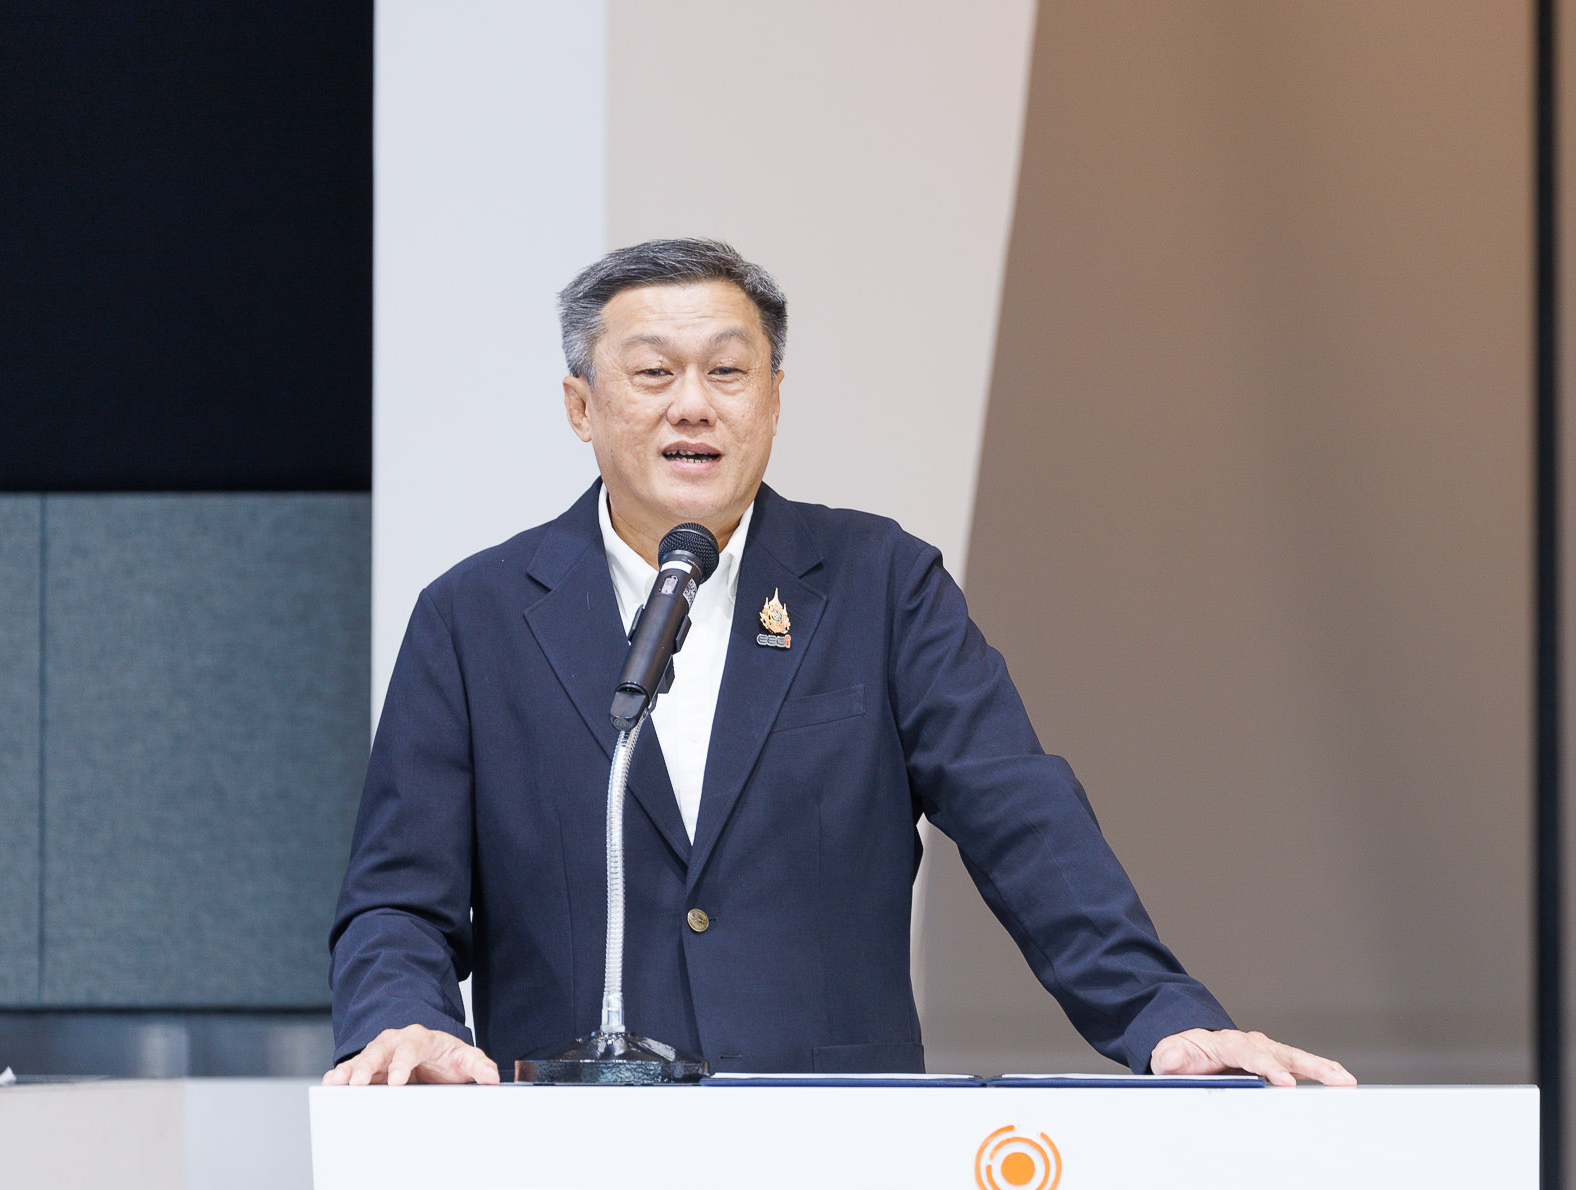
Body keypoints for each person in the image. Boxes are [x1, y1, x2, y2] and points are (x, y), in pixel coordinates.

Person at [324, 239, 1353, 1090]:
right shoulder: (476, 616)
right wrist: (405, 1026)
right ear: (581, 406)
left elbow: (1024, 820)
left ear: (773, 399)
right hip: (568, 1159)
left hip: (836, 1155)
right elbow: (398, 899)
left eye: (728, 372)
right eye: (653, 373)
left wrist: (1162, 1015)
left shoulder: (880, 583)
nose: (693, 405)